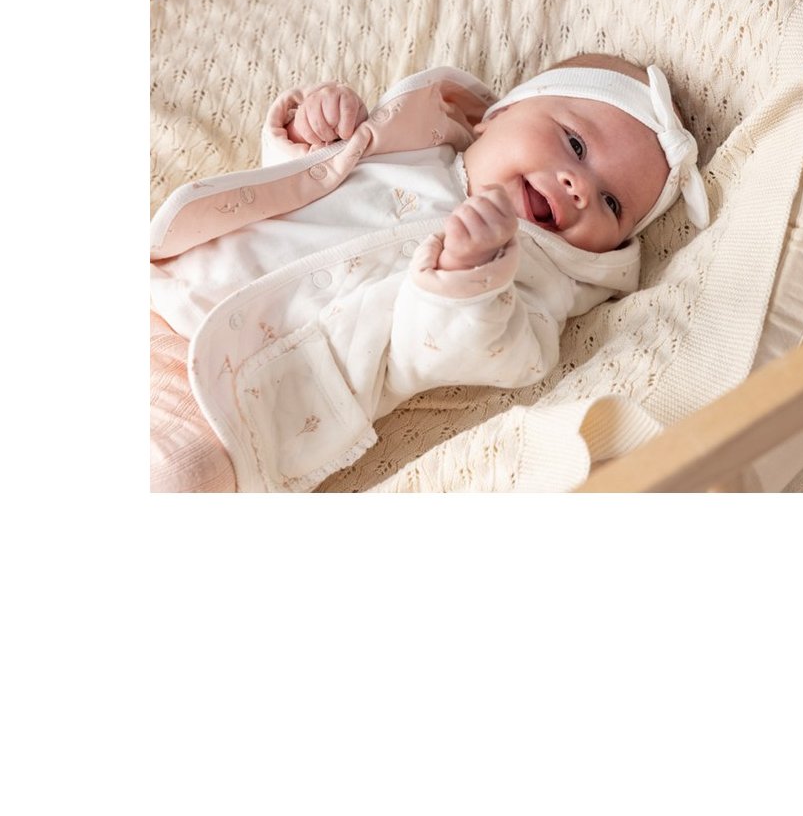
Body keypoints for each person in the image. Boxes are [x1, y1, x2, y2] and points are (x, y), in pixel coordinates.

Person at [149, 53, 709, 493]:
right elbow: (292, 188)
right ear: (497, 116)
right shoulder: (401, 144)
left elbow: (477, 350)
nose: (579, 186)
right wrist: (312, 130)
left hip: (239, 398)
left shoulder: (534, 282)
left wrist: (469, 279)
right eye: (576, 144)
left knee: (176, 476)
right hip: (169, 291)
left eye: (612, 203)